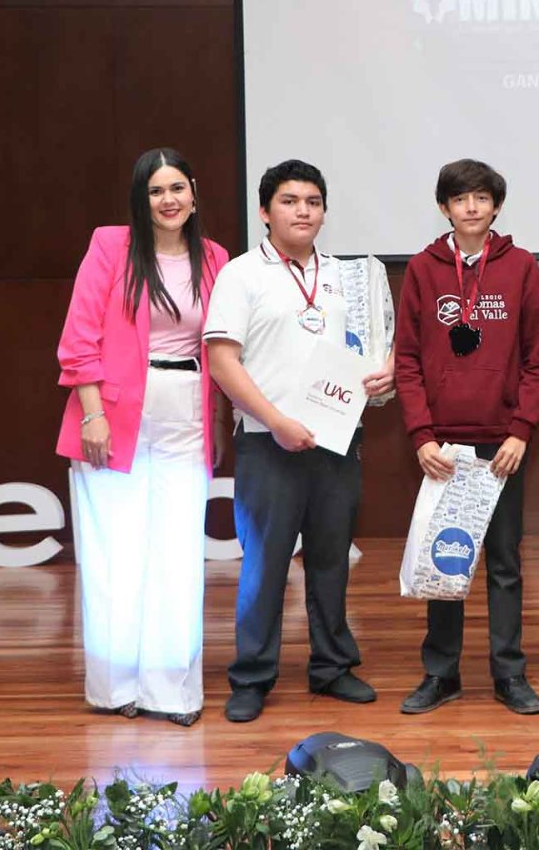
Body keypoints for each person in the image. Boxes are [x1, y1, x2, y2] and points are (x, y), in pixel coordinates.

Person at [203, 159, 395, 723]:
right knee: (264, 566)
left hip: (337, 441)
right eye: (289, 201)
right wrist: (276, 421)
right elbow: (222, 361)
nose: (303, 211)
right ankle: (252, 676)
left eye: (313, 202)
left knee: (332, 561)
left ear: (324, 212)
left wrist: (386, 373)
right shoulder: (241, 274)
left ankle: (332, 667)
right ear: (265, 212)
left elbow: (378, 347)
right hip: (269, 442)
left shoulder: (349, 279)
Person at [55, 147, 230, 727]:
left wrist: (220, 422)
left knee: (178, 552)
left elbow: (223, 345)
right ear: (141, 199)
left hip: (188, 409)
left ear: (194, 192)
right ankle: (114, 687)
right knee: (116, 552)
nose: (168, 199)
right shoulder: (111, 246)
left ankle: (172, 691)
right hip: (112, 413)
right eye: (156, 191)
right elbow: (79, 338)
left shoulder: (215, 257)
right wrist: (92, 415)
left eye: (177, 187)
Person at [393, 158, 539, 715]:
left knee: (504, 563)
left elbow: (538, 361)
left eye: (482, 198)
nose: (471, 207)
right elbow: (407, 361)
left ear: (496, 206)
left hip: (502, 445)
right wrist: (421, 436)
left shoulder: (521, 267)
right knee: (446, 560)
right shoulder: (423, 268)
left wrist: (521, 432)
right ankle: (441, 674)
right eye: (460, 198)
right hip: (442, 448)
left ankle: (510, 674)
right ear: (444, 207)